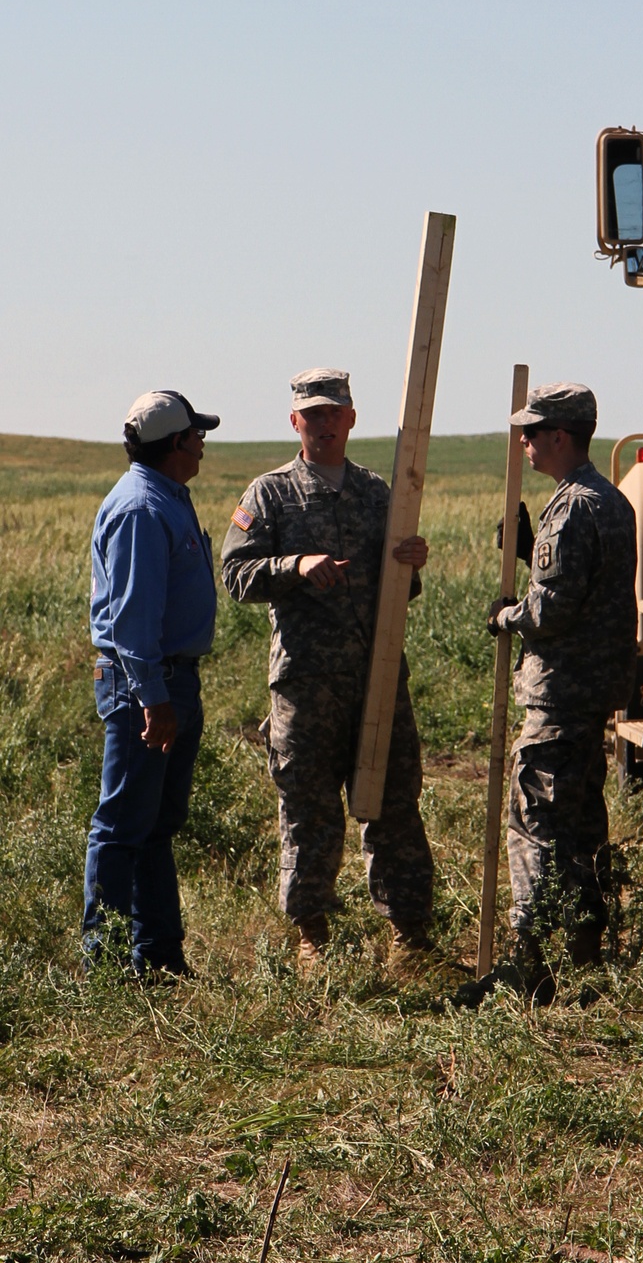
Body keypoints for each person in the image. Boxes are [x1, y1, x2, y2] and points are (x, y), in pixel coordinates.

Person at [220, 368, 435, 970]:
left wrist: (411, 562)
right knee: (309, 807)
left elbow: (401, 587)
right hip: (306, 683)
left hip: (378, 676)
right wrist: (293, 565)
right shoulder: (270, 494)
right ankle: (312, 931)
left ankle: (408, 934)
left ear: (351, 419)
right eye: (310, 413)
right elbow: (236, 575)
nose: (322, 422)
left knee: (394, 801)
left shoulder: (377, 493)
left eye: (332, 412)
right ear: (295, 422)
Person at [457, 383, 638, 1007]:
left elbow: (554, 609)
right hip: (591, 695)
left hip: (560, 694)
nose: (526, 443)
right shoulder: (610, 502)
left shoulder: (573, 508)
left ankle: (526, 961)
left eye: (533, 433)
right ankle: (586, 954)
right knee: (583, 820)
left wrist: (506, 616)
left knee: (534, 821)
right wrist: (533, 552)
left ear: (561, 437)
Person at [83, 390, 220, 979]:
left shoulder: (165, 497)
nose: (203, 442)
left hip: (169, 682)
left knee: (156, 825)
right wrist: (154, 699)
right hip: (149, 685)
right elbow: (134, 619)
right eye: (197, 434)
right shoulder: (142, 508)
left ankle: (159, 958)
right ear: (177, 443)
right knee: (122, 828)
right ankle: (107, 964)